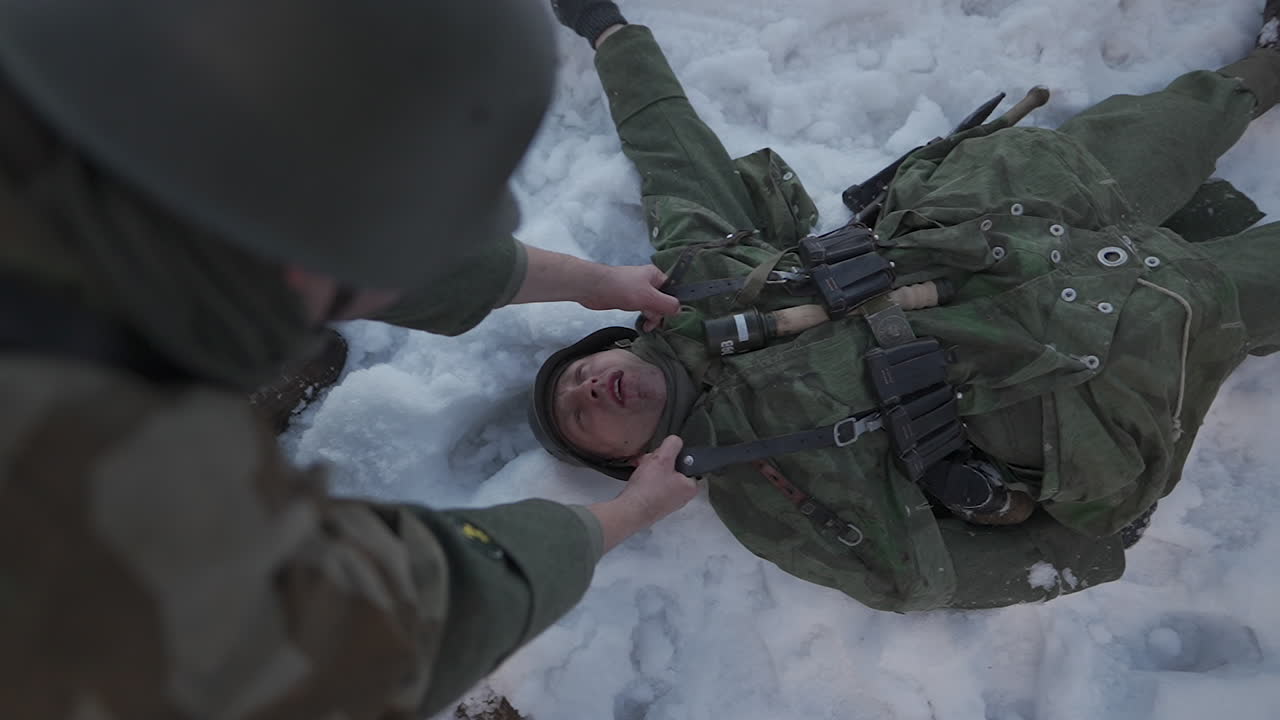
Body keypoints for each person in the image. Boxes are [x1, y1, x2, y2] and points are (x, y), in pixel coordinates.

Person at [0, 1, 699, 717]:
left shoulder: (94, 79)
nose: (590, 389)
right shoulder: (118, 522)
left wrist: (594, 282)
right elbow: (385, 628)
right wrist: (628, 512)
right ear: (301, 261)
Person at [531, 0, 1280, 612]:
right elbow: (926, 575)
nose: (587, 387)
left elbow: (671, 149)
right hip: (1094, 353)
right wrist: (1093, 541)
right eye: (580, 416)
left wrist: (607, 28)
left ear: (613, 343)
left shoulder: (696, 280)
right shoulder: (766, 497)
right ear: (630, 459)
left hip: (1004, 219)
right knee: (1245, 287)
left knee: (1176, 122)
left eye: (578, 372)